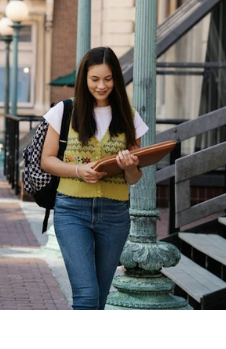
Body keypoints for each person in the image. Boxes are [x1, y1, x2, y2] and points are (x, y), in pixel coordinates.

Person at [40, 47, 148, 310]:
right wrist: (79, 171)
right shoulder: (64, 111)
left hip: (114, 214)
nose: (101, 86)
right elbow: (47, 160)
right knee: (86, 295)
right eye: (95, 79)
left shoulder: (129, 117)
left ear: (117, 80)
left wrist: (130, 166)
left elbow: (134, 178)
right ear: (84, 79)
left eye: (108, 79)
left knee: (99, 299)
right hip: (71, 211)